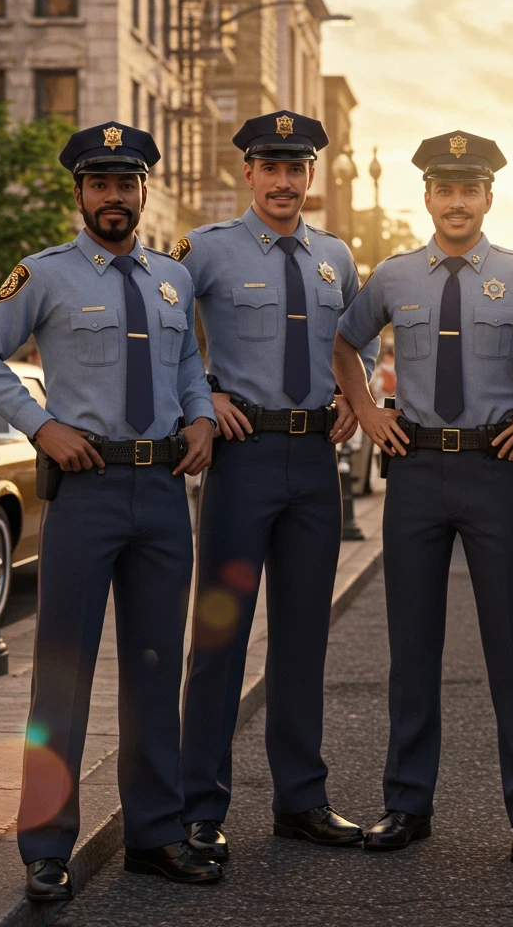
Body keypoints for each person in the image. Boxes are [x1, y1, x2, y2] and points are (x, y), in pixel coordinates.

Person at [0, 121, 222, 903]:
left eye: (127, 184)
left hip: (164, 494)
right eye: (101, 184)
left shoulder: (173, 279)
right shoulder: (41, 275)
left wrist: (200, 415)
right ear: (79, 194)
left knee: (153, 669)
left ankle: (155, 834)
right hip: (88, 490)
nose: (115, 197)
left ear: (143, 192)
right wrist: (41, 424)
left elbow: (186, 363)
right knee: (63, 678)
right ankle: (45, 847)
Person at [333, 131, 513, 863]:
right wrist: (367, 410)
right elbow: (346, 343)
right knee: (413, 647)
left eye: (470, 189)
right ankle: (406, 804)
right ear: (425, 197)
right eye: (444, 189)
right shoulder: (395, 275)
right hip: (418, 470)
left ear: (490, 197)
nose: (457, 202)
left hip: (496, 467)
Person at [175, 110, 378, 858]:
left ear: (311, 178)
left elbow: (356, 341)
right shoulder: (204, 251)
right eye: (272, 168)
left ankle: (302, 799)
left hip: (312, 467)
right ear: (249, 174)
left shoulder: (336, 256)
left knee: (302, 640)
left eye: (298, 169)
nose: (286, 182)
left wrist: (356, 400)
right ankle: (201, 806)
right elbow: (164, 336)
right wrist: (202, 395)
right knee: (220, 636)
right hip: (242, 461)